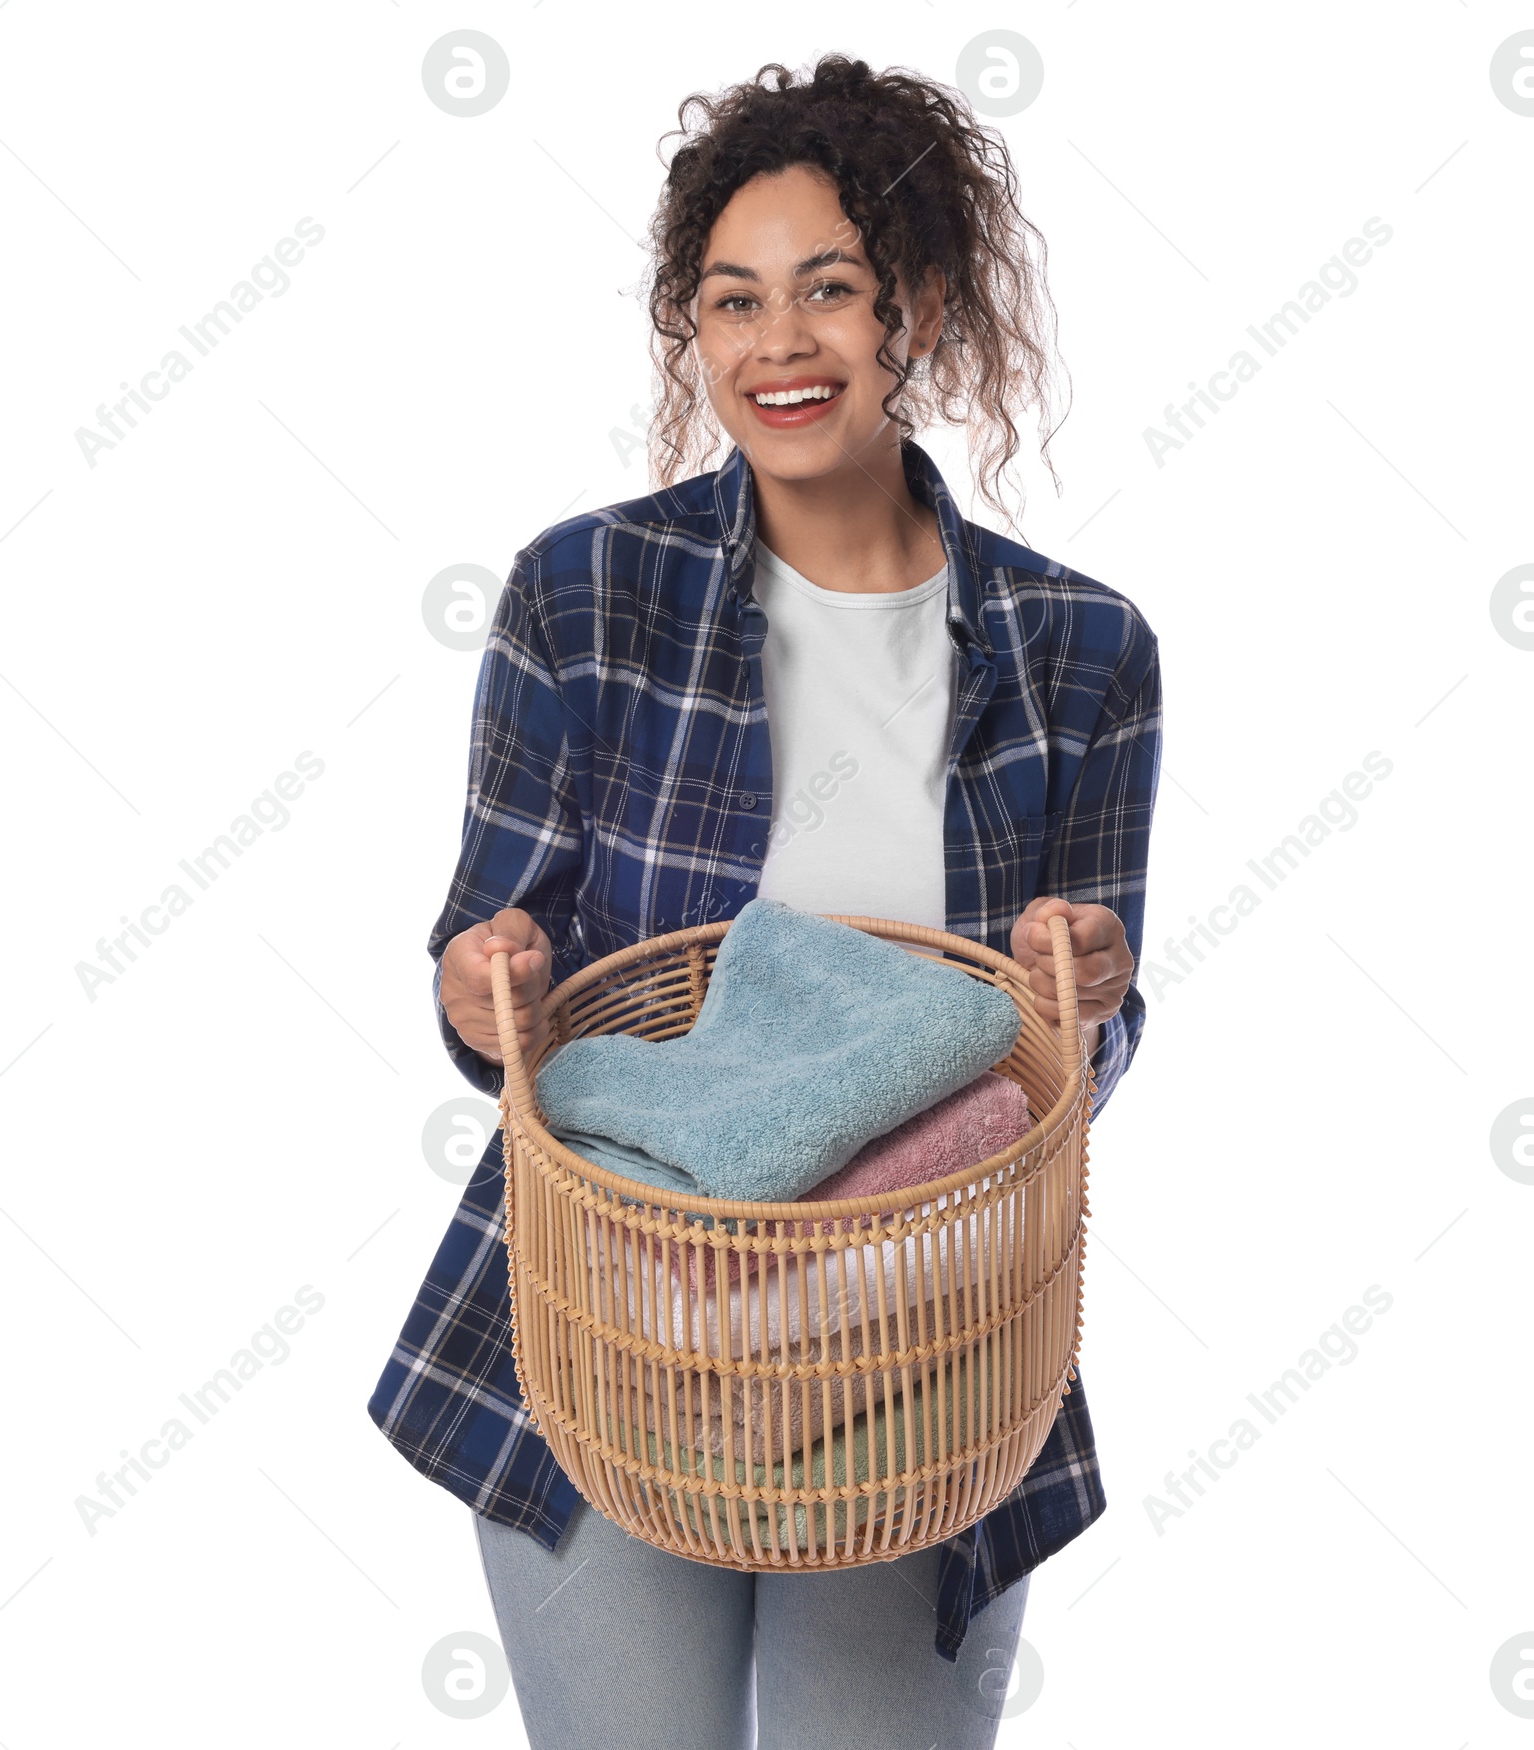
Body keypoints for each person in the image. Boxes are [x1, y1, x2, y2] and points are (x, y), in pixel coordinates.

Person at [369, 54, 1162, 1749]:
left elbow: (1080, 1036)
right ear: (690, 330)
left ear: (919, 310)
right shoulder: (583, 595)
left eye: (829, 292)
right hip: (607, 1317)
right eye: (732, 301)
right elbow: (491, 955)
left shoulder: (1084, 652)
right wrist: (478, 976)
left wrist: (1081, 985)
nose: (777, 345)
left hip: (925, 1340)